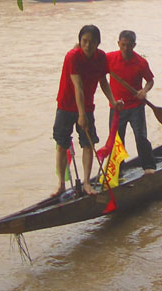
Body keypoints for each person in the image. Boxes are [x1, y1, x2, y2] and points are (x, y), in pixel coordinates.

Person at [53, 25, 119, 196]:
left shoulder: (101, 57)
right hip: (66, 105)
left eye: (92, 42)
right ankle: (61, 184)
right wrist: (81, 115)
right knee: (61, 144)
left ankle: (87, 183)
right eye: (84, 41)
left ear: (98, 43)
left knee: (88, 144)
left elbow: (103, 81)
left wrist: (112, 101)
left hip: (87, 106)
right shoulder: (72, 57)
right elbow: (78, 86)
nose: (88, 45)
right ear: (80, 41)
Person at [106, 30, 156, 175]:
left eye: (129, 45)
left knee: (140, 137)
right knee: (117, 140)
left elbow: (150, 81)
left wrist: (144, 91)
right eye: (123, 45)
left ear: (134, 45)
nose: (125, 49)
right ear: (118, 44)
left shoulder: (141, 62)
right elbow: (94, 58)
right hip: (117, 107)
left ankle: (148, 166)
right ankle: (117, 170)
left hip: (136, 107)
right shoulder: (110, 58)